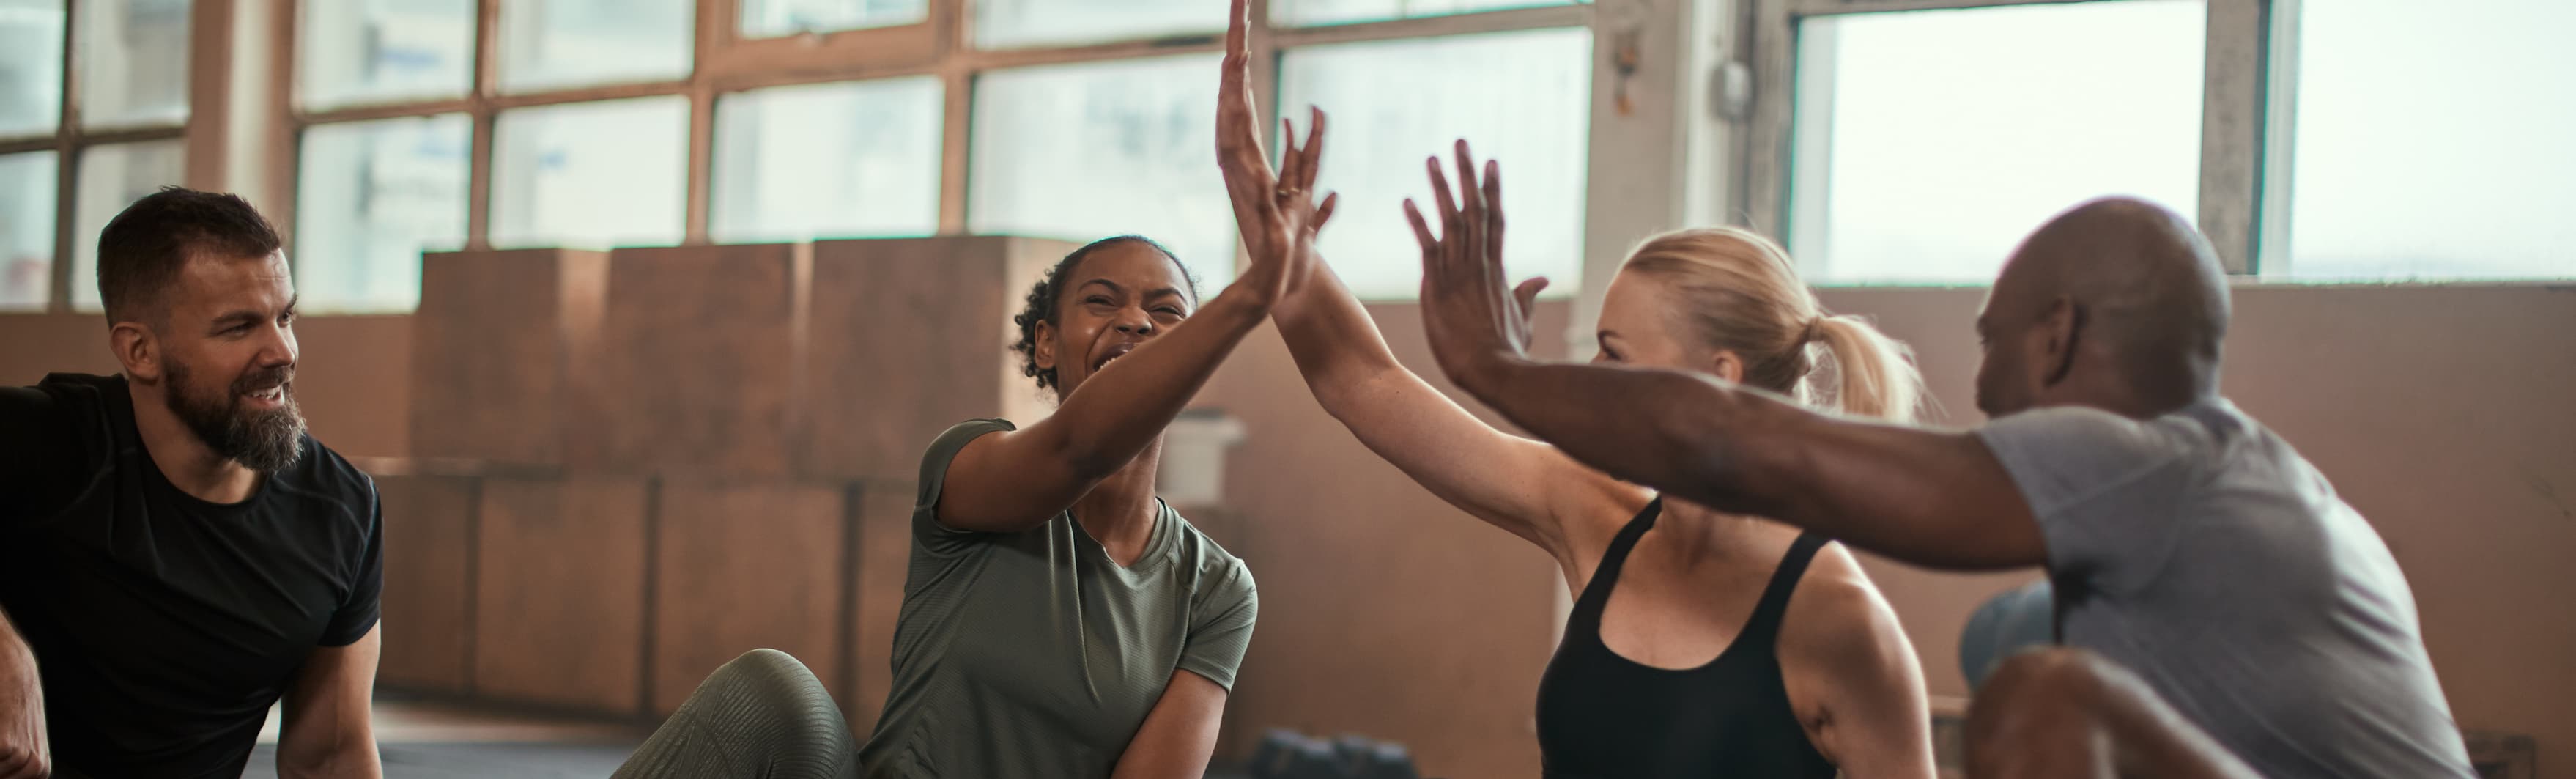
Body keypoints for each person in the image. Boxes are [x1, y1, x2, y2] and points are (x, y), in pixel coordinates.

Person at [1403, 149, 2476, 779]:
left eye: (1993, 337)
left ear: (2055, 335)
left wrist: (1494, 364)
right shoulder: (2250, 486)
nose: (1989, 381)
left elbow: (1731, 443)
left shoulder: (2147, 460)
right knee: (2024, 646)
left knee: (2036, 702)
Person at [612, 15, 1330, 772]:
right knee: (771, 688)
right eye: (1102, 301)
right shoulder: (974, 467)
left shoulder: (1215, 590)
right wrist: (1249, 297)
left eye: (1167, 312)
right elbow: (1077, 448)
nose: (1135, 321)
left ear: (1194, 359)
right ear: (1046, 343)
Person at [1214, 23, 1933, 778]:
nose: (1586, 375)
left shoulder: (1836, 616)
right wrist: (1261, 211)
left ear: (1717, 376)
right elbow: (1362, 383)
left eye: (1613, 354)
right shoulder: (1595, 512)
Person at [0, 188, 385, 779]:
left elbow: (329, 756)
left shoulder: (338, 510)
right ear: (140, 351)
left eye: (285, 316)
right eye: (239, 327)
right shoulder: (48, 440)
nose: (282, 350)